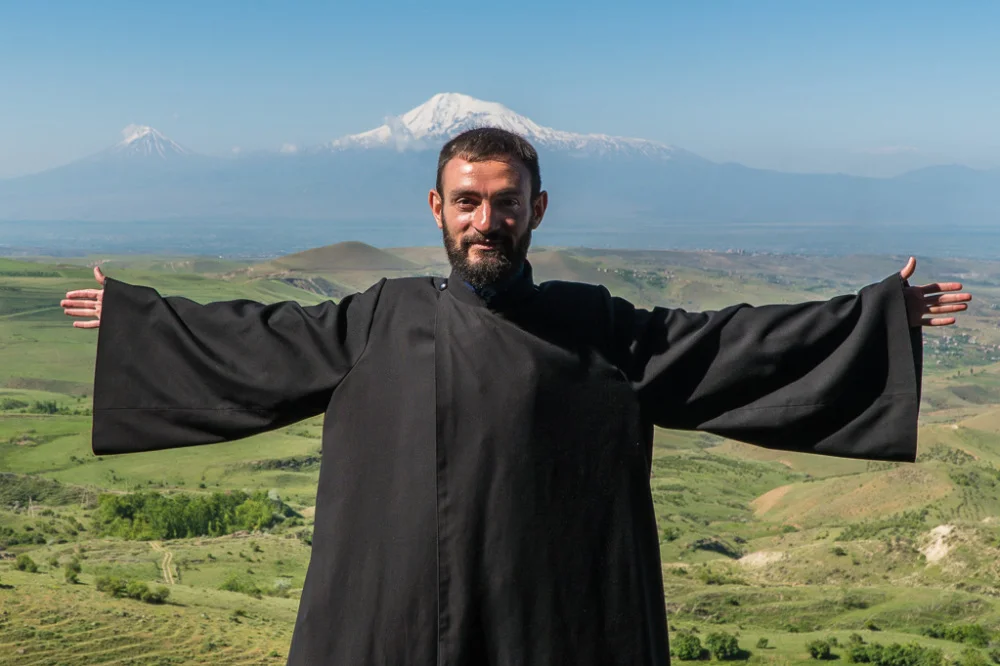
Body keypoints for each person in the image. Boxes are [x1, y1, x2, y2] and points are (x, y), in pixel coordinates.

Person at [61, 127, 970, 666]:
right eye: (467, 202)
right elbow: (251, 340)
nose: (484, 221)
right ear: (435, 208)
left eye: (504, 203)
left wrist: (879, 317)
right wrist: (141, 323)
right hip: (397, 621)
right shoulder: (374, 320)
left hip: (552, 622)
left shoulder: (599, 324)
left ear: (538, 208)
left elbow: (732, 344)